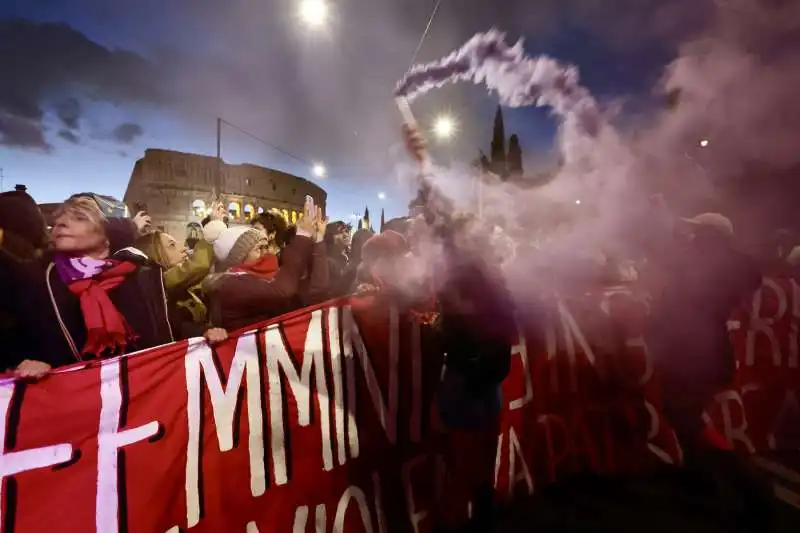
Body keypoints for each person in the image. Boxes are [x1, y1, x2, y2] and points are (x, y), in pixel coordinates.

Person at [402, 123, 516, 533]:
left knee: (472, 472)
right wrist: (422, 162)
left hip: (479, 381)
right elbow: (440, 213)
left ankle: (476, 518)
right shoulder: (475, 273)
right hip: (477, 381)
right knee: (471, 472)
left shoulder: (482, 273)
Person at [5, 195, 174, 379]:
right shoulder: (38, 279)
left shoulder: (145, 276)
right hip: (74, 399)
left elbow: (172, 330)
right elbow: (14, 336)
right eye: (58, 219)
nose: (61, 222)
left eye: (79, 217)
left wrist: (205, 335)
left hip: (145, 390)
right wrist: (21, 360)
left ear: (107, 235)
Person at [205, 197, 328, 331]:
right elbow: (282, 291)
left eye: (266, 247)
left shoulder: (266, 277)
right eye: (259, 249)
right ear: (240, 255)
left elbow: (315, 292)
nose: (266, 253)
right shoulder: (233, 284)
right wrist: (303, 234)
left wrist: (319, 239)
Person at [136, 202, 227, 338]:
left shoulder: (185, 286)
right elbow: (199, 265)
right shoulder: (160, 280)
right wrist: (212, 232)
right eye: (172, 245)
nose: (183, 248)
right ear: (155, 253)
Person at [324, 220, 353, 297]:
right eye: (340, 232)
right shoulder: (327, 261)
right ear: (330, 237)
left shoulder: (348, 256)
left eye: (346, 231)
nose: (345, 234)